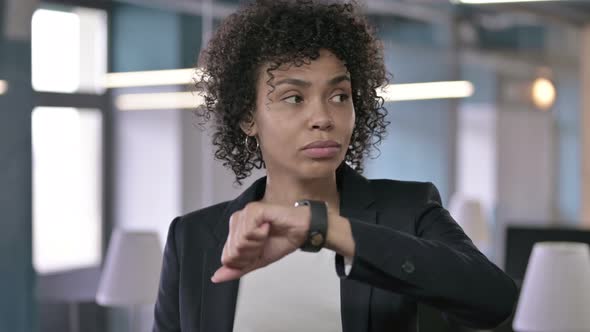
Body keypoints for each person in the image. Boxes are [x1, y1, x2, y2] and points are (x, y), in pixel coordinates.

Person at [153, 1, 518, 331]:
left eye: (339, 96)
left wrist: (325, 229)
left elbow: (493, 300)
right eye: (294, 98)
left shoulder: (408, 209)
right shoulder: (194, 238)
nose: (323, 117)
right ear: (249, 117)